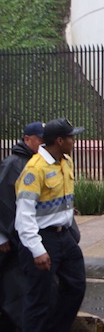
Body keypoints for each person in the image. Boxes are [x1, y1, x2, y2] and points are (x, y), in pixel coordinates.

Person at [14, 118, 86, 332]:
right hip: (42, 238)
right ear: (60, 140)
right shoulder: (34, 170)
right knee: (39, 301)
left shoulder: (66, 161)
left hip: (64, 236)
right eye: (71, 138)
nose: (74, 142)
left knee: (76, 286)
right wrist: (37, 250)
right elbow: (23, 216)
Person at [0, 121, 44, 330]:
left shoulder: (36, 162)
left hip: (25, 239)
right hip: (11, 241)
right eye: (41, 139)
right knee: (13, 290)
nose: (45, 144)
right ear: (27, 139)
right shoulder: (13, 164)